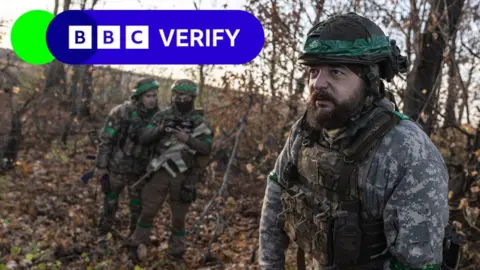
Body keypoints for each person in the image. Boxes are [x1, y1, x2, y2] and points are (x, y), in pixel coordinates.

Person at [258, 13, 450, 270]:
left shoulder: (407, 152)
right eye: (314, 70)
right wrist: (271, 265)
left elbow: (418, 262)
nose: (318, 83)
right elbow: (276, 193)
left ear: (370, 80)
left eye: (336, 72)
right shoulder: (306, 131)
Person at [128, 79, 214, 263]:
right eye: (177, 95)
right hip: (160, 171)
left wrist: (187, 139)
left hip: (183, 175)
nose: (180, 99)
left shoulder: (199, 121)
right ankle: (136, 247)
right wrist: (160, 130)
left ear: (192, 97)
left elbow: (206, 148)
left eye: (185, 96)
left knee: (179, 218)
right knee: (148, 211)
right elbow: (144, 138)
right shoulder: (162, 116)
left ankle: (176, 254)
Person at [93, 77, 160, 244]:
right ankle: (103, 235)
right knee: (110, 202)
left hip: (140, 171)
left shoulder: (159, 117)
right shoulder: (121, 112)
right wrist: (101, 166)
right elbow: (106, 140)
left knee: (137, 207)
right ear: (138, 97)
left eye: (154, 96)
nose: (152, 100)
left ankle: (134, 238)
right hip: (117, 167)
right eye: (148, 96)